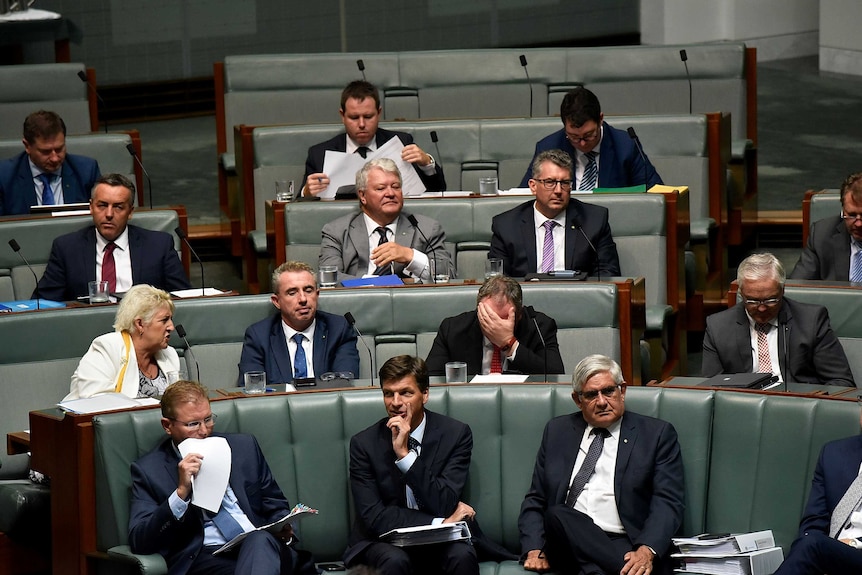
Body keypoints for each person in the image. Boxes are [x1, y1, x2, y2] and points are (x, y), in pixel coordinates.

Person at [128, 380, 316, 575]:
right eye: (193, 424)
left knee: (258, 540)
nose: (203, 431)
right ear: (167, 426)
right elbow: (140, 541)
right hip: (207, 559)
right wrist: (180, 493)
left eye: (208, 419)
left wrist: (283, 528)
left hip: (265, 550)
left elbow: (274, 504)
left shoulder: (243, 448)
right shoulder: (149, 470)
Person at [518, 354, 684, 575]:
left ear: (622, 391)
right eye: (591, 395)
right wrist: (533, 548)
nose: (602, 401)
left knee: (592, 568)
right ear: (578, 400)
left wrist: (645, 550)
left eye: (608, 391)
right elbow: (536, 498)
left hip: (625, 543)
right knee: (558, 514)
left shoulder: (656, 434)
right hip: (566, 542)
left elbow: (668, 501)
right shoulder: (558, 431)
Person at [344, 355, 480, 575]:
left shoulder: (455, 434)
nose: (396, 402)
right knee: (395, 560)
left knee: (461, 556)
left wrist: (405, 456)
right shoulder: (363, 444)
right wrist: (441, 523)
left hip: (442, 540)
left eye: (406, 392)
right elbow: (376, 517)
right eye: (388, 393)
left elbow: (444, 501)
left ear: (425, 394)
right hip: (382, 541)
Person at [702, 252, 855, 386]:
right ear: (741, 293)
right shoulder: (718, 326)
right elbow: (710, 388)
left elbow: (841, 381)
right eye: (753, 301)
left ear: (782, 290)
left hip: (797, 406)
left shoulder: (811, 321)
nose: (762, 308)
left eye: (770, 300)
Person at [35, 173, 191, 302]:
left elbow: (182, 298)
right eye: (102, 205)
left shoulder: (159, 246)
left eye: (118, 207)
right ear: (91, 207)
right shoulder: (67, 248)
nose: (109, 214)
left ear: (130, 212)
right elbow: (44, 303)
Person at [319, 158, 454, 282]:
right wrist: (374, 283)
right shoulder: (336, 231)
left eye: (395, 187)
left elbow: (448, 275)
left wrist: (410, 256)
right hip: (356, 303)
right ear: (362, 195)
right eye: (381, 188)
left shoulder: (426, 228)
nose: (390, 193)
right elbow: (329, 278)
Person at [490, 149, 620, 278]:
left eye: (564, 183)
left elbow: (607, 273)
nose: (558, 190)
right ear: (533, 186)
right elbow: (498, 280)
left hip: (577, 296)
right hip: (525, 297)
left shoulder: (594, 220)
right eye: (550, 182)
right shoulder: (506, 226)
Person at [302, 80, 445, 197]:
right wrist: (307, 192)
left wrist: (427, 164)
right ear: (342, 116)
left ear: (379, 113)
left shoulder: (401, 142)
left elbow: (437, 191)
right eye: (354, 117)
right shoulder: (319, 154)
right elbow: (298, 208)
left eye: (368, 116)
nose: (362, 124)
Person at [772, 405, 862, 575]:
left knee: (812, 545)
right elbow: (814, 522)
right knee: (809, 543)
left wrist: (852, 543)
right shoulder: (834, 454)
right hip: (830, 557)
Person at [237, 260, 359, 384]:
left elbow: (344, 384)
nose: (303, 299)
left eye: (308, 290)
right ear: (277, 301)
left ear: (317, 295)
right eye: (292, 292)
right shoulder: (258, 336)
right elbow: (252, 390)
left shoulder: (339, 329)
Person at [518, 87, 663, 190]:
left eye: (588, 135)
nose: (581, 143)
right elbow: (526, 193)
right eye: (574, 136)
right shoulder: (548, 148)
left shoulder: (626, 146)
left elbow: (655, 192)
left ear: (600, 119)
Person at [425, 275, 564, 377]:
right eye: (488, 317)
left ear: (519, 314)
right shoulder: (452, 329)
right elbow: (430, 380)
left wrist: (509, 343)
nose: (495, 324)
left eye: (503, 319)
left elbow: (555, 376)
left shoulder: (539, 326)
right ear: (478, 311)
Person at [65, 284, 180, 401]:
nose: (171, 327)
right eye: (164, 320)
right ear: (140, 324)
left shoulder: (169, 355)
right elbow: (95, 401)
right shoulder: (107, 348)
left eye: (171, 319)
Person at [0, 110, 101, 216]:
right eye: (45, 152)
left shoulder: (87, 171)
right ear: (27, 146)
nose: (54, 158)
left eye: (59, 149)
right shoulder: (4, 177)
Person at [790, 172, 862, 281]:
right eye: (851, 215)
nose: (858, 224)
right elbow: (798, 287)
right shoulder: (821, 234)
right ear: (843, 210)